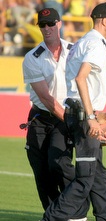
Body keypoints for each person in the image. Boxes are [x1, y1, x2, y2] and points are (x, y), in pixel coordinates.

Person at [42, 3, 106, 221]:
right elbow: (81, 78)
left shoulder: (84, 42)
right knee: (85, 179)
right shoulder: (96, 44)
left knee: (99, 178)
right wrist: (91, 117)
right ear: (105, 21)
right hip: (84, 116)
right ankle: (50, 218)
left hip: (77, 113)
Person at [22, 8, 88, 220]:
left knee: (59, 164)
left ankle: (77, 214)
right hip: (42, 118)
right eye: (43, 25)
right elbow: (47, 100)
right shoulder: (32, 57)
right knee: (41, 172)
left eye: (51, 23)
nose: (47, 28)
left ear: (59, 24)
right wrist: (70, 121)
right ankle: (54, 215)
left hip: (65, 118)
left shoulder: (74, 50)